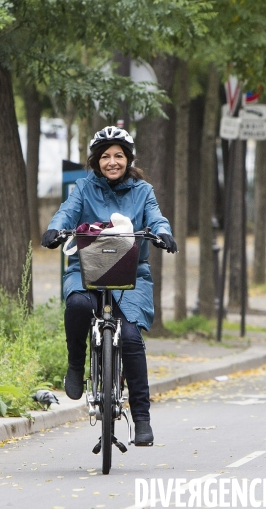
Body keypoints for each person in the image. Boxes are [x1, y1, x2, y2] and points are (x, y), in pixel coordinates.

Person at [41, 126, 177, 446]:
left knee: (130, 338)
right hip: (87, 269)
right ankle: (76, 365)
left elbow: (156, 218)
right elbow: (66, 212)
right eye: (106, 156)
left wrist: (162, 233)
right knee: (76, 304)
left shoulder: (143, 191)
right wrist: (55, 230)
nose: (112, 162)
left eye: (119, 156)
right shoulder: (83, 188)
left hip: (131, 275)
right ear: (96, 161)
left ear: (128, 160)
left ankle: (141, 420)